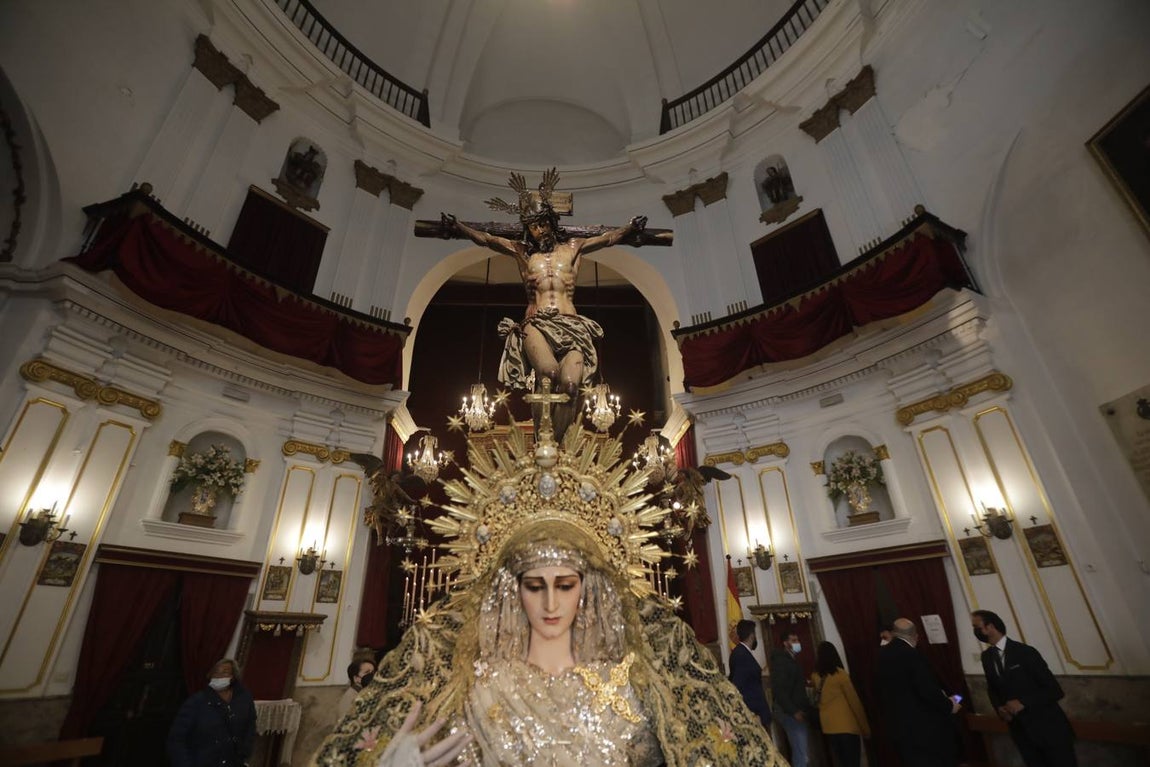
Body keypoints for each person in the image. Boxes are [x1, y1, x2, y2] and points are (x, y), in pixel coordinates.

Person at [311, 418, 787, 766]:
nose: (551, 604)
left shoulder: (637, 679)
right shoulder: (473, 684)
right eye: (534, 586)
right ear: (508, 591)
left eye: (566, 585)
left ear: (592, 588)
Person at [441, 169, 648, 441]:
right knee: (549, 373)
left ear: (551, 221)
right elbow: (489, 239)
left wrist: (630, 228)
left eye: (542, 223)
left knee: (572, 386)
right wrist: (460, 227)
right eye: (532, 226)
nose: (538, 230)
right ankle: (542, 437)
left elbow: (607, 239)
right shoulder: (522, 253)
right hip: (536, 323)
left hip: (572, 324)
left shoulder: (574, 247)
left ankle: (554, 442)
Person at [972, 610, 1077, 767]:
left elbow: (1054, 690)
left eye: (977, 627)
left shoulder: (1025, 652)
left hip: (1049, 730)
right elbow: (992, 688)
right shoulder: (987, 657)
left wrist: (1023, 702)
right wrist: (999, 708)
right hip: (1021, 732)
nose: (975, 631)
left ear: (990, 627)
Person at [876, 618, 961, 767]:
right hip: (923, 730)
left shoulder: (882, 655)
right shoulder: (912, 655)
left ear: (894, 633)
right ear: (916, 636)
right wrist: (949, 705)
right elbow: (927, 690)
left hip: (897, 728)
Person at [168, 658, 257, 767]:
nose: (219, 675)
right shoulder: (196, 701)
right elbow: (177, 739)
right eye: (216, 672)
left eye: (224, 672)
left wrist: (244, 753)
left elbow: (250, 727)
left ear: (233, 677)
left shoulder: (244, 699)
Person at [810, 642, 869, 767]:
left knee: (842, 762)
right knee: (853, 762)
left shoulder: (815, 676)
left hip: (829, 728)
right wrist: (865, 727)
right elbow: (854, 702)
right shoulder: (840, 674)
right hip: (847, 726)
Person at [769, 629, 811, 766]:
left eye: (797, 640)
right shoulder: (782, 662)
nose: (797, 643)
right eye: (793, 640)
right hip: (790, 712)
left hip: (794, 709)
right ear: (785, 643)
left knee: (801, 752)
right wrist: (793, 711)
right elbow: (780, 690)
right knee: (801, 754)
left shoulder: (790, 660)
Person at [729, 619, 771, 729]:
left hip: (755, 711)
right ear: (752, 635)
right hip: (753, 713)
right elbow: (738, 684)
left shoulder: (742, 652)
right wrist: (752, 713)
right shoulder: (741, 654)